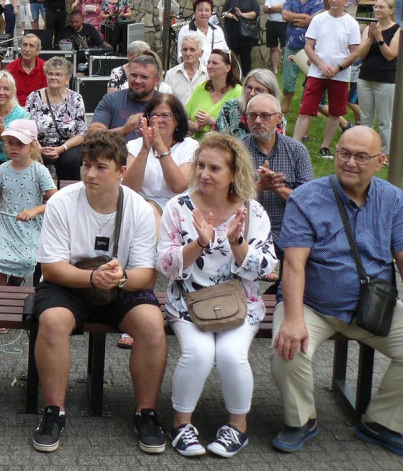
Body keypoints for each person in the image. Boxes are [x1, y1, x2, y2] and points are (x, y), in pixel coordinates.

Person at [31, 131, 168, 454]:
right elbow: (51, 268)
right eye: (86, 165)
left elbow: (147, 276)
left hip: (120, 284)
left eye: (101, 167)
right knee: (51, 321)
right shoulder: (62, 202)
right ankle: (54, 411)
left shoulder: (140, 209)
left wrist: (116, 279)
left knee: (151, 323)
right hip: (70, 282)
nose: (90, 174)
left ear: (121, 172)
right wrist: (93, 277)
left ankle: (145, 413)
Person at [271, 126, 403, 455]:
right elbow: (294, 264)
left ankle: (380, 422)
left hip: (373, 307)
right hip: (314, 305)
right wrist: (293, 317)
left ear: (380, 161)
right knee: (287, 349)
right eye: (344, 153)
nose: (350, 162)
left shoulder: (393, 199)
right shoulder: (306, 198)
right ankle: (302, 419)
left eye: (362, 156)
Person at [157, 133, 277, 458]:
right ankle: (182, 424)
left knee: (230, 355)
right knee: (197, 353)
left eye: (215, 168)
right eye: (201, 166)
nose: (204, 174)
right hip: (188, 303)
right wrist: (199, 243)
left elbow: (267, 266)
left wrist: (238, 243)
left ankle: (237, 428)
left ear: (233, 174)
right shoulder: (178, 208)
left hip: (240, 303)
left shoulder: (253, 213)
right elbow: (165, 264)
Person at [291, 0, 361, 159]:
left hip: (341, 74)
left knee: (336, 112)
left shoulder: (351, 23)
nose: (334, 0)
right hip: (316, 72)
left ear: (346, 1)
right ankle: (294, 145)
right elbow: (308, 46)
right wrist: (321, 65)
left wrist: (338, 68)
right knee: (305, 109)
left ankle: (325, 147)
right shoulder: (319, 19)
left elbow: (355, 51)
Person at [0, 119, 57, 286]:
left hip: (30, 227)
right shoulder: (2, 169)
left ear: (32, 146)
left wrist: (35, 210)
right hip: (5, 224)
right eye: (10, 143)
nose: (13, 148)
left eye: (20, 144)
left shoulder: (39, 171)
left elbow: (56, 202)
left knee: (27, 258)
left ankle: (14, 284)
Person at [242, 93, 312, 255]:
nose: (258, 121)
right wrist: (259, 187)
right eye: (253, 115)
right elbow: (226, 199)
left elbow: (309, 202)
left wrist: (276, 188)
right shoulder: (236, 151)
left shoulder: (296, 151)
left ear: (279, 118)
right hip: (247, 229)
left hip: (288, 230)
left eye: (265, 115)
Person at [123, 94, 197, 213]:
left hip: (177, 208)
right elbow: (129, 188)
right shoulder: (135, 145)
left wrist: (160, 145)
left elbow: (178, 186)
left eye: (165, 115)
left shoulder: (190, 146)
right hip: (141, 207)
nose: (158, 120)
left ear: (177, 120)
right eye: (154, 115)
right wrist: (145, 149)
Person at [24, 56, 86, 182]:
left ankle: (68, 194)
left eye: (58, 74)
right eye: (50, 74)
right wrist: (39, 148)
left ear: (67, 79)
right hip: (39, 145)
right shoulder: (33, 97)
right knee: (32, 157)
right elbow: (27, 129)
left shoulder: (76, 98)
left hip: (67, 146)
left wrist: (61, 148)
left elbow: (81, 134)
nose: (53, 77)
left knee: (71, 160)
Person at [355, 0, 399, 155]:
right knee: (365, 118)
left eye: (381, 7)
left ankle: (385, 153)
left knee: (384, 120)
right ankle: (366, 150)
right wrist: (370, 39)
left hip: (386, 81)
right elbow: (360, 54)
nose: (377, 10)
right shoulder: (369, 28)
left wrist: (379, 38)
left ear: (391, 10)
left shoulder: (397, 30)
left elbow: (391, 55)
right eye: (376, 7)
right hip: (365, 78)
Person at [89, 54, 162, 142]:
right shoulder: (111, 100)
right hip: (116, 154)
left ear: (156, 81)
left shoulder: (165, 104)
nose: (137, 81)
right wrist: (124, 130)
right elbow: (92, 134)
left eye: (144, 77)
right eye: (134, 75)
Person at [281, 0, 325, 110]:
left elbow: (314, 20)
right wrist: (304, 17)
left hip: (311, 48)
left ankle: (313, 105)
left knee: (313, 78)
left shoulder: (318, 2)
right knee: (288, 78)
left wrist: (297, 20)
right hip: (292, 45)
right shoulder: (289, 0)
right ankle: (286, 105)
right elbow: (285, 15)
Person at [185, 50, 242, 135]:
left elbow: (237, 129)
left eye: (215, 63)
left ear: (228, 68)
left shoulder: (238, 92)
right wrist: (196, 127)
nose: (209, 66)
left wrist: (211, 121)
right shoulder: (201, 87)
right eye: (208, 63)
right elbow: (184, 118)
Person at [215, 68, 281, 140]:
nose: (252, 93)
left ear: (271, 94)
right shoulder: (230, 107)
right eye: (249, 87)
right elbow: (217, 139)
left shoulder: (275, 116)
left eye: (259, 90)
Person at [221, 0, 261, 75]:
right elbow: (223, 12)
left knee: (246, 54)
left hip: (246, 32)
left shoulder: (252, 0)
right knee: (232, 54)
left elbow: (255, 13)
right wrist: (232, 16)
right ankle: (233, 74)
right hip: (232, 31)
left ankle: (246, 74)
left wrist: (241, 15)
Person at [177, 0, 229, 64]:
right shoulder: (185, 31)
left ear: (211, 13)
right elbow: (182, 57)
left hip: (215, 72)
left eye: (207, 10)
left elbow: (225, 53)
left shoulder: (217, 30)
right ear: (194, 12)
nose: (204, 13)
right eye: (200, 10)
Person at [164, 32, 207, 105]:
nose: (188, 53)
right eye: (185, 49)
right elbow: (165, 101)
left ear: (201, 53)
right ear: (181, 51)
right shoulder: (171, 74)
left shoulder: (208, 75)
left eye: (192, 50)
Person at [6, 33, 47, 106]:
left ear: (38, 51)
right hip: (16, 110)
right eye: (24, 45)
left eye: (31, 46)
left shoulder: (46, 68)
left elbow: (47, 95)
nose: (27, 49)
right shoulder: (10, 69)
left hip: (39, 109)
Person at [264, 0, 294, 74]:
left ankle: (287, 68)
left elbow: (286, 8)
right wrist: (279, 8)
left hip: (284, 24)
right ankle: (275, 71)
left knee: (285, 48)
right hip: (271, 24)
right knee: (273, 48)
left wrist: (271, 8)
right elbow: (265, 10)